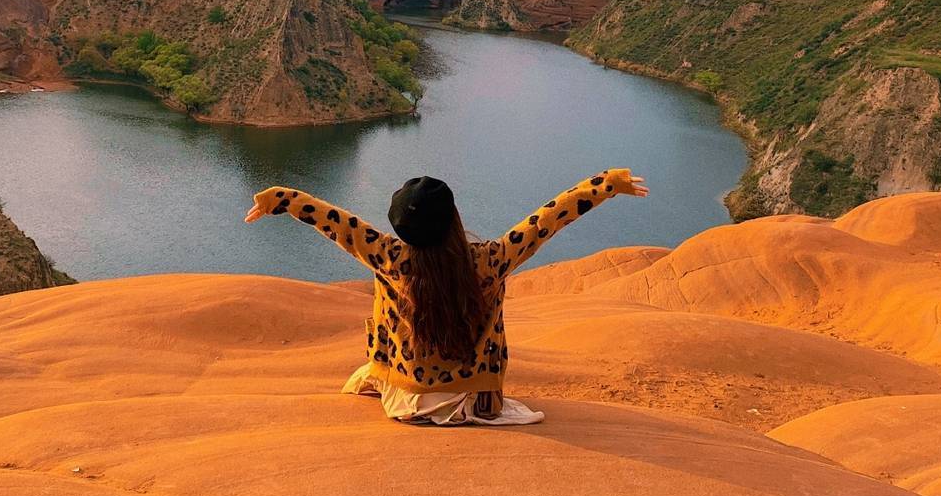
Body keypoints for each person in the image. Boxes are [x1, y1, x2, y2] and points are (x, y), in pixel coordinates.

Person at [244, 168, 649, 425]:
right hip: (476, 401)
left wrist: (280, 199)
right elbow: (547, 220)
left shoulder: (388, 256)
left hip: (404, 399)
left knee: (372, 341)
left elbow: (337, 223)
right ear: (454, 218)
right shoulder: (491, 259)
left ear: (400, 228)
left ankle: (386, 377)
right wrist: (606, 184)